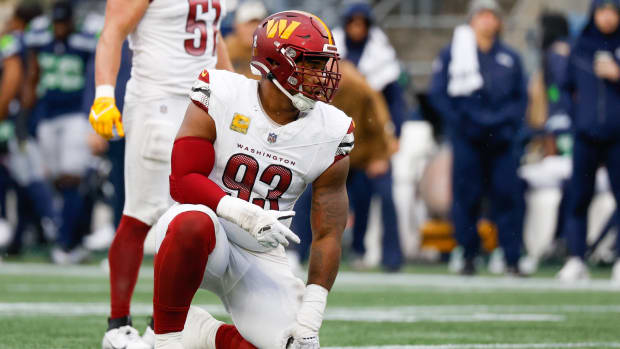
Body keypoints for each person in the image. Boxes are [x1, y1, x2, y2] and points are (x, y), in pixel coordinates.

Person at [150, 10, 352, 348]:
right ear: (277, 62)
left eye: (324, 64)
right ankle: (167, 339)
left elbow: (329, 232)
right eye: (313, 64)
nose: (323, 75)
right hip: (205, 232)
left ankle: (204, 334)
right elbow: (183, 180)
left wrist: (312, 313)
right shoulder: (223, 93)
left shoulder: (332, 130)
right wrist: (242, 212)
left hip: (260, 255)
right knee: (192, 222)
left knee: (294, 345)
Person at [88, 0, 233, 347]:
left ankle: (163, 325)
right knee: (141, 214)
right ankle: (118, 326)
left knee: (190, 218)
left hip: (201, 104)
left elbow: (212, 37)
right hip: (157, 101)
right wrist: (104, 93)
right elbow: (113, 30)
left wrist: (232, 89)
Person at [428, 0, 527, 275]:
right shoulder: (453, 55)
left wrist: (504, 123)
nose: (487, 21)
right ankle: (468, 252)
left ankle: (511, 256)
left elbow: (521, 98)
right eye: (481, 15)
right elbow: (439, 94)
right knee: (466, 196)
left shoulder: (509, 57)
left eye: (491, 16)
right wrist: (463, 122)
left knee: (508, 196)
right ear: (471, 20)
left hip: (502, 139)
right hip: (468, 137)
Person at [291, 60, 399, 271]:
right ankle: (297, 251)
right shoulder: (310, 89)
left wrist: (380, 156)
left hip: (361, 157)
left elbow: (379, 122)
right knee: (304, 196)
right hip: (326, 157)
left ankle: (381, 255)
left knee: (375, 195)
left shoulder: (361, 89)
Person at [332, 2, 405, 271]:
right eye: (353, 22)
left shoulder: (382, 57)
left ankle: (391, 257)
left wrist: (389, 143)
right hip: (336, 139)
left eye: (362, 23)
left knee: (383, 195)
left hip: (372, 142)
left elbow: (393, 105)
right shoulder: (331, 55)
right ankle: (302, 251)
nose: (357, 28)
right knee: (317, 194)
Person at [26, 0, 97, 264]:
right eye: (56, 22)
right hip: (46, 115)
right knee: (55, 180)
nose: (59, 28)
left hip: (75, 116)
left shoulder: (85, 37)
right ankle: (68, 239)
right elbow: (32, 72)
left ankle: (66, 242)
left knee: (71, 177)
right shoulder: (39, 36)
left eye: (63, 22)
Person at [557, 0, 620, 282]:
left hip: (618, 136)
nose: (607, 18)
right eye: (602, 11)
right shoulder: (579, 46)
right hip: (586, 136)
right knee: (579, 197)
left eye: (613, 12)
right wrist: (576, 119)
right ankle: (576, 258)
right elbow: (563, 88)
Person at [0, 1, 59, 256]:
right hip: (37, 115)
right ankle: (21, 237)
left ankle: (55, 228)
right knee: (22, 179)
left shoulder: (14, 41)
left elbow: (13, 78)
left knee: (29, 178)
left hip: (18, 119)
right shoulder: (42, 39)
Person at [225, 0, 267, 79]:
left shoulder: (271, 52)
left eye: (258, 23)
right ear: (236, 25)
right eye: (248, 24)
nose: (253, 29)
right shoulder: (224, 50)